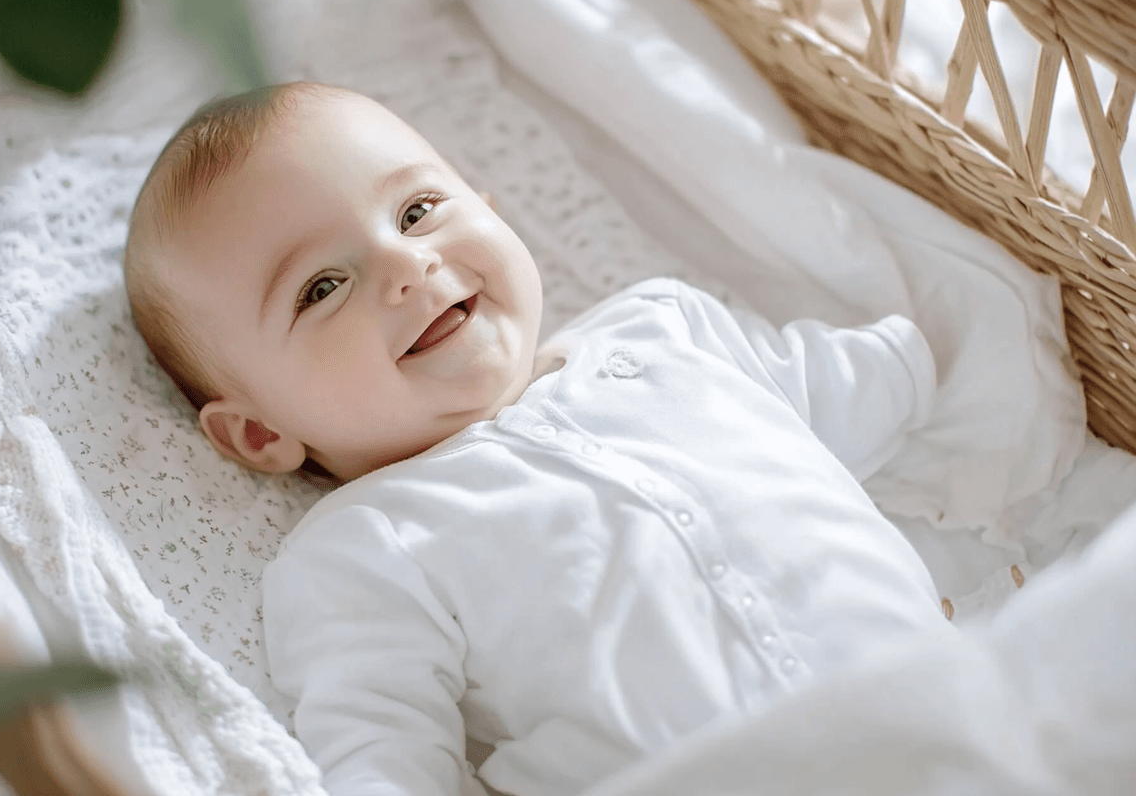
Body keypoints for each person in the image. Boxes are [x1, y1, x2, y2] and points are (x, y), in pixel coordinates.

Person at [125, 81, 956, 796]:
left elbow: (868, 379)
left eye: (417, 210)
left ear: (490, 207)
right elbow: (378, 746)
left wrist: (951, 339)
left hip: (960, 719)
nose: (405, 264)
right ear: (261, 431)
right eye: (322, 287)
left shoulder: (667, 330)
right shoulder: (366, 549)